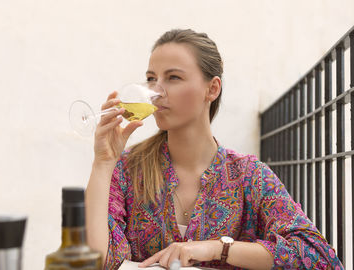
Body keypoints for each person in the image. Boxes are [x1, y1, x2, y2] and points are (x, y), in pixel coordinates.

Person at [85, 29, 344, 269]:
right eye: (151, 79)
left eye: (173, 77)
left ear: (212, 88)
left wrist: (217, 248)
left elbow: (318, 257)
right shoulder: (128, 168)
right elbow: (100, 261)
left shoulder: (248, 175)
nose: (155, 91)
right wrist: (103, 162)